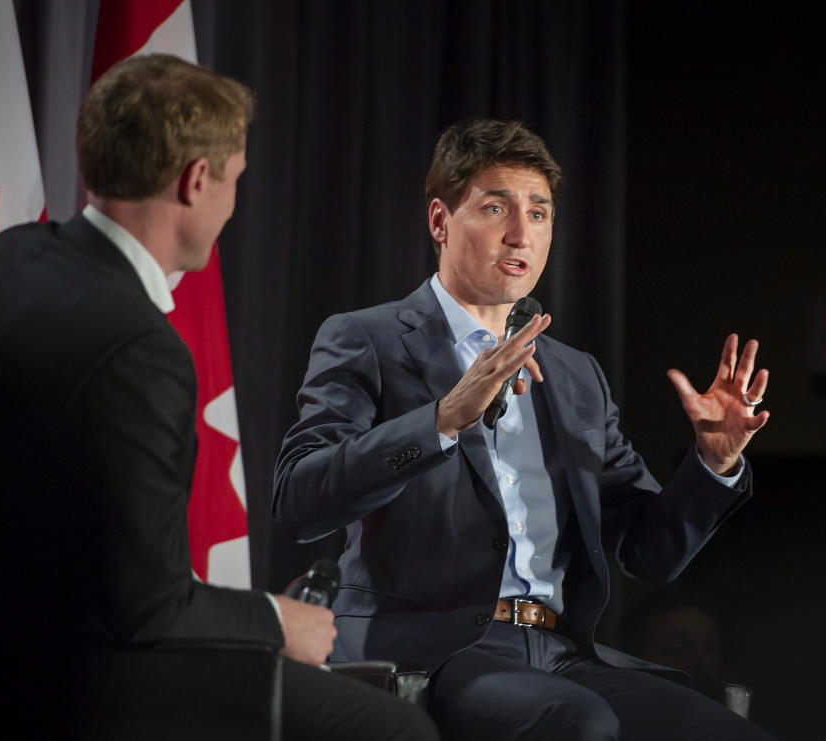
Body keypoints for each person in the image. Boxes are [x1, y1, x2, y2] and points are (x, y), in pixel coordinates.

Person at [0, 54, 438, 741]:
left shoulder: (9, 256)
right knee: (396, 727)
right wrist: (277, 622)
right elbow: (147, 607)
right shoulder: (142, 348)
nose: (233, 201)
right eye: (235, 180)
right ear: (197, 181)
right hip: (58, 672)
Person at [273, 119, 774, 740]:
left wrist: (713, 463)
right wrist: (440, 422)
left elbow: (650, 551)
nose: (521, 233)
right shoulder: (366, 339)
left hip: (561, 651)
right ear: (440, 222)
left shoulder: (573, 375)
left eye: (539, 214)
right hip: (436, 652)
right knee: (577, 723)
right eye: (495, 207)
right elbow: (300, 501)